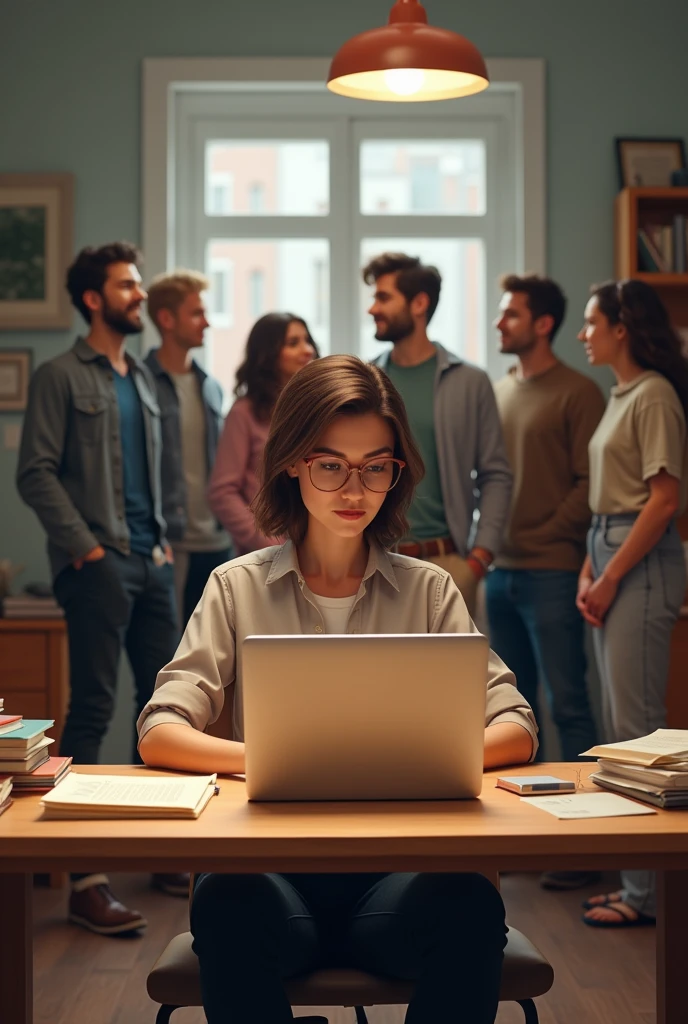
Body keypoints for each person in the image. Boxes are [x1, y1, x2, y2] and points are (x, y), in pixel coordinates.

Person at [138, 354, 537, 1024]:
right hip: (267, 880)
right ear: (293, 461)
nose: (354, 488)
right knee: (226, 903)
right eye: (331, 464)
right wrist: (275, 765)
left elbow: (517, 726)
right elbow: (159, 730)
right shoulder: (235, 587)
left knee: (469, 903)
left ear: (396, 471)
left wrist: (415, 763)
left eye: (376, 466)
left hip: (395, 884)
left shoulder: (430, 589)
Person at [16, 243, 183, 934]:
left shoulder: (142, 379)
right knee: (91, 709)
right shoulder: (60, 376)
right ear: (94, 299)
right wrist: (85, 545)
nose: (139, 297)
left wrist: (165, 539)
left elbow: (159, 470)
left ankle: (171, 853)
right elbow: (35, 472)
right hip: (98, 565)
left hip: (151, 564)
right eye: (128, 287)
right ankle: (85, 880)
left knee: (168, 711)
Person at [577, 279, 688, 928]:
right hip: (610, 547)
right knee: (616, 729)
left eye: (592, 322)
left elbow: (665, 500)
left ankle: (647, 897)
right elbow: (609, 500)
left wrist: (611, 573)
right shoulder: (622, 394)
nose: (584, 333)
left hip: (639, 560)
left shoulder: (654, 395)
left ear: (622, 327)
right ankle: (633, 886)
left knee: (639, 734)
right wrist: (592, 567)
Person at [364, 252, 512, 617]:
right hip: (373, 565)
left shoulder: (470, 382)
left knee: (451, 676)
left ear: (419, 303)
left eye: (383, 297)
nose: (372, 308)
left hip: (449, 566)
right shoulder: (367, 381)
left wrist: (478, 559)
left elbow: (496, 475)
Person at [144, 270, 232, 628]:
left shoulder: (210, 386)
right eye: (196, 313)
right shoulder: (140, 382)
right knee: (172, 656)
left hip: (217, 540)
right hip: (170, 544)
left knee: (222, 658)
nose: (207, 323)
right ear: (166, 319)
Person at [208, 312, 318, 553]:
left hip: (317, 553)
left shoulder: (317, 411)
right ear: (268, 354)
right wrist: (269, 542)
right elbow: (222, 493)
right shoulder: (243, 413)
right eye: (293, 343)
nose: (308, 349)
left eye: (307, 340)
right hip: (267, 558)